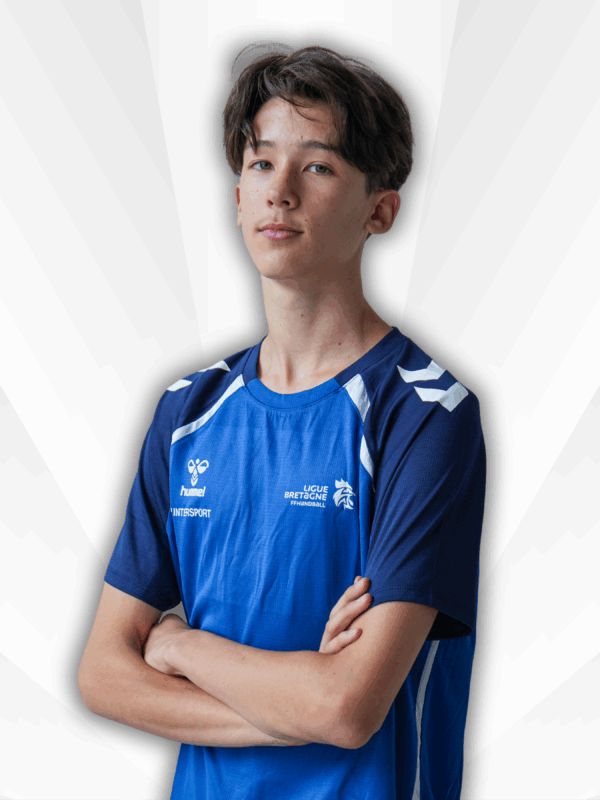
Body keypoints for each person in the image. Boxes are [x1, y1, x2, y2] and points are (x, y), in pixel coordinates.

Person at [78, 44, 487, 799]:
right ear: (238, 197)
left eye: (319, 166)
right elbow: (104, 673)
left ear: (380, 210)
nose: (281, 191)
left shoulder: (426, 415)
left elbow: (347, 707)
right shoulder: (187, 412)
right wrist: (295, 706)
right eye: (262, 163)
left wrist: (180, 646)